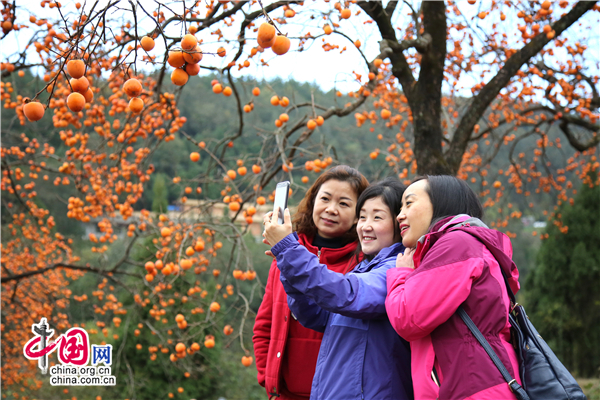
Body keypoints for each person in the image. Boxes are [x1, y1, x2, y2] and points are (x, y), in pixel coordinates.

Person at [263, 178, 413, 400]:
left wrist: (289, 250)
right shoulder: (364, 268)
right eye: (362, 217)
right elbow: (316, 316)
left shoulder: (397, 268)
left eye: (377, 217)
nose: (365, 226)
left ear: (400, 223)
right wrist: (287, 266)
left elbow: (348, 294)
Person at [385, 175, 523, 400]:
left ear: (442, 203)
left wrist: (401, 274)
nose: (400, 215)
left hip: (473, 388)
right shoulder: (468, 244)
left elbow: (407, 317)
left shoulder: (457, 244)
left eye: (409, 203)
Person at [253, 165, 369, 400]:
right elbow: (264, 324)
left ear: (359, 215)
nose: (331, 209)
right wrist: (268, 379)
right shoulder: (284, 256)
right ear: (313, 200)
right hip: (284, 394)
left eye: (344, 204)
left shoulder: (362, 265)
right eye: (324, 198)